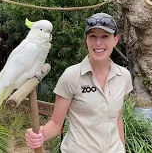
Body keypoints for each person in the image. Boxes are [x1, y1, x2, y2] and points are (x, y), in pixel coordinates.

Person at [25, 12, 133, 153]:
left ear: (115, 40)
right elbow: (56, 123)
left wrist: (122, 149)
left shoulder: (123, 76)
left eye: (105, 36)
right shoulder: (71, 76)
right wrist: (40, 135)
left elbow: (117, 119)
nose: (98, 43)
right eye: (92, 36)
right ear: (86, 40)